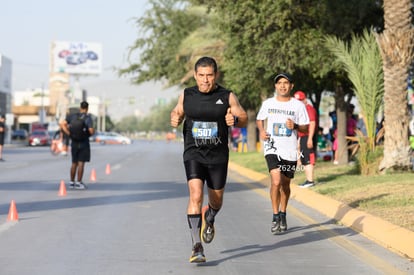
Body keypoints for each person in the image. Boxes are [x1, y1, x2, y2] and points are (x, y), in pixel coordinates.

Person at [170, 56, 248, 263]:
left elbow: (244, 118)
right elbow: (177, 112)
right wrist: (175, 117)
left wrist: (236, 120)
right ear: (195, 75)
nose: (205, 80)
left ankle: (210, 217)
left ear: (216, 75)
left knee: (216, 200)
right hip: (193, 152)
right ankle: (197, 246)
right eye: (201, 76)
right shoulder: (187, 95)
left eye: (209, 75)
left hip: (218, 156)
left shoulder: (227, 96)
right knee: (195, 196)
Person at [256, 73, 309, 235]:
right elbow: (260, 119)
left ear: (291, 86)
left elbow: (305, 128)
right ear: (275, 86)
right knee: (276, 181)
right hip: (272, 148)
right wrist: (262, 131)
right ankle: (275, 215)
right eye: (279, 83)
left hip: (290, 151)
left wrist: (295, 126)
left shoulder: (298, 106)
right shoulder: (268, 103)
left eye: (286, 83)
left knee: (285, 185)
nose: (283, 86)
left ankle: (283, 213)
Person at [60, 101, 94, 190]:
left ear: (80, 107)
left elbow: (62, 124)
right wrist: (87, 134)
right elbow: (91, 130)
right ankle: (79, 183)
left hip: (74, 142)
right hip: (83, 142)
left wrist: (69, 134)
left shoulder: (72, 116)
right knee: (81, 163)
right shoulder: (88, 118)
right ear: (87, 108)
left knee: (74, 163)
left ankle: (71, 182)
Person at [294, 91, 317, 188]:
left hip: (308, 136)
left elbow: (312, 123)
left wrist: (310, 138)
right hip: (303, 136)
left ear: (304, 99)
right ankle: (308, 180)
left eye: (299, 100)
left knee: (308, 158)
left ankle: (310, 181)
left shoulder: (308, 109)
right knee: (304, 159)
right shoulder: (302, 110)